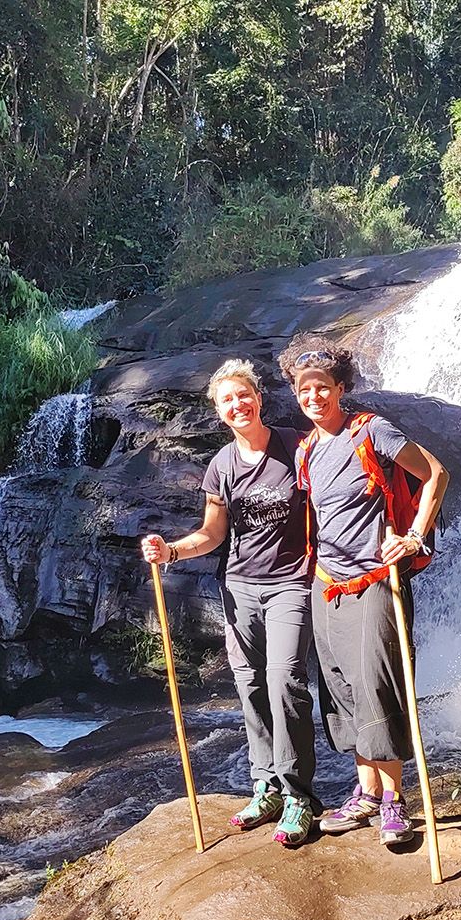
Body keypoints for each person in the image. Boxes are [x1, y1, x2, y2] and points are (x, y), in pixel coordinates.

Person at [140, 359, 318, 847]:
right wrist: (171, 551)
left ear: (258, 398)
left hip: (291, 584)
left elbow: (332, 498)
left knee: (286, 681)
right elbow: (213, 533)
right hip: (239, 586)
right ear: (218, 411)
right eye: (227, 400)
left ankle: (298, 795)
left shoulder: (296, 446)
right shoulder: (221, 465)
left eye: (244, 395)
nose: (238, 405)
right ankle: (266, 787)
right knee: (250, 684)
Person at [278, 338, 448, 847]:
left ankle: (395, 800)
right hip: (327, 584)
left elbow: (436, 473)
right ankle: (367, 793)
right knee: (341, 688)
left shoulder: (371, 430)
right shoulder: (307, 449)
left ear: (340, 388)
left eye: (322, 387)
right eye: (304, 390)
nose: (313, 396)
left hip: (376, 581)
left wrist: (414, 535)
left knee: (378, 684)